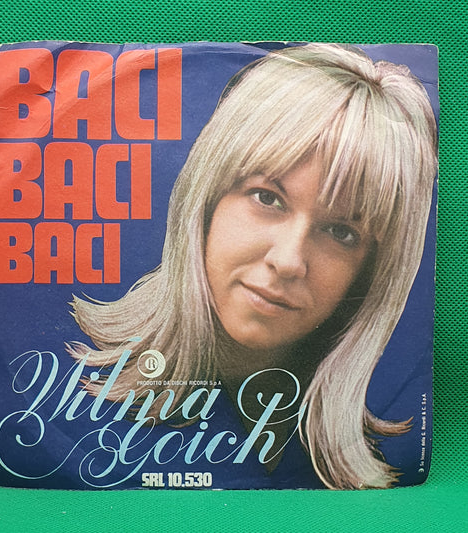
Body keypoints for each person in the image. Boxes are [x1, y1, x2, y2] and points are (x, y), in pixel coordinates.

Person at [68, 43, 437, 489]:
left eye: (341, 233)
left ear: (373, 271)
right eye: (267, 198)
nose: (288, 261)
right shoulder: (70, 386)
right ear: (207, 198)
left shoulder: (387, 445)